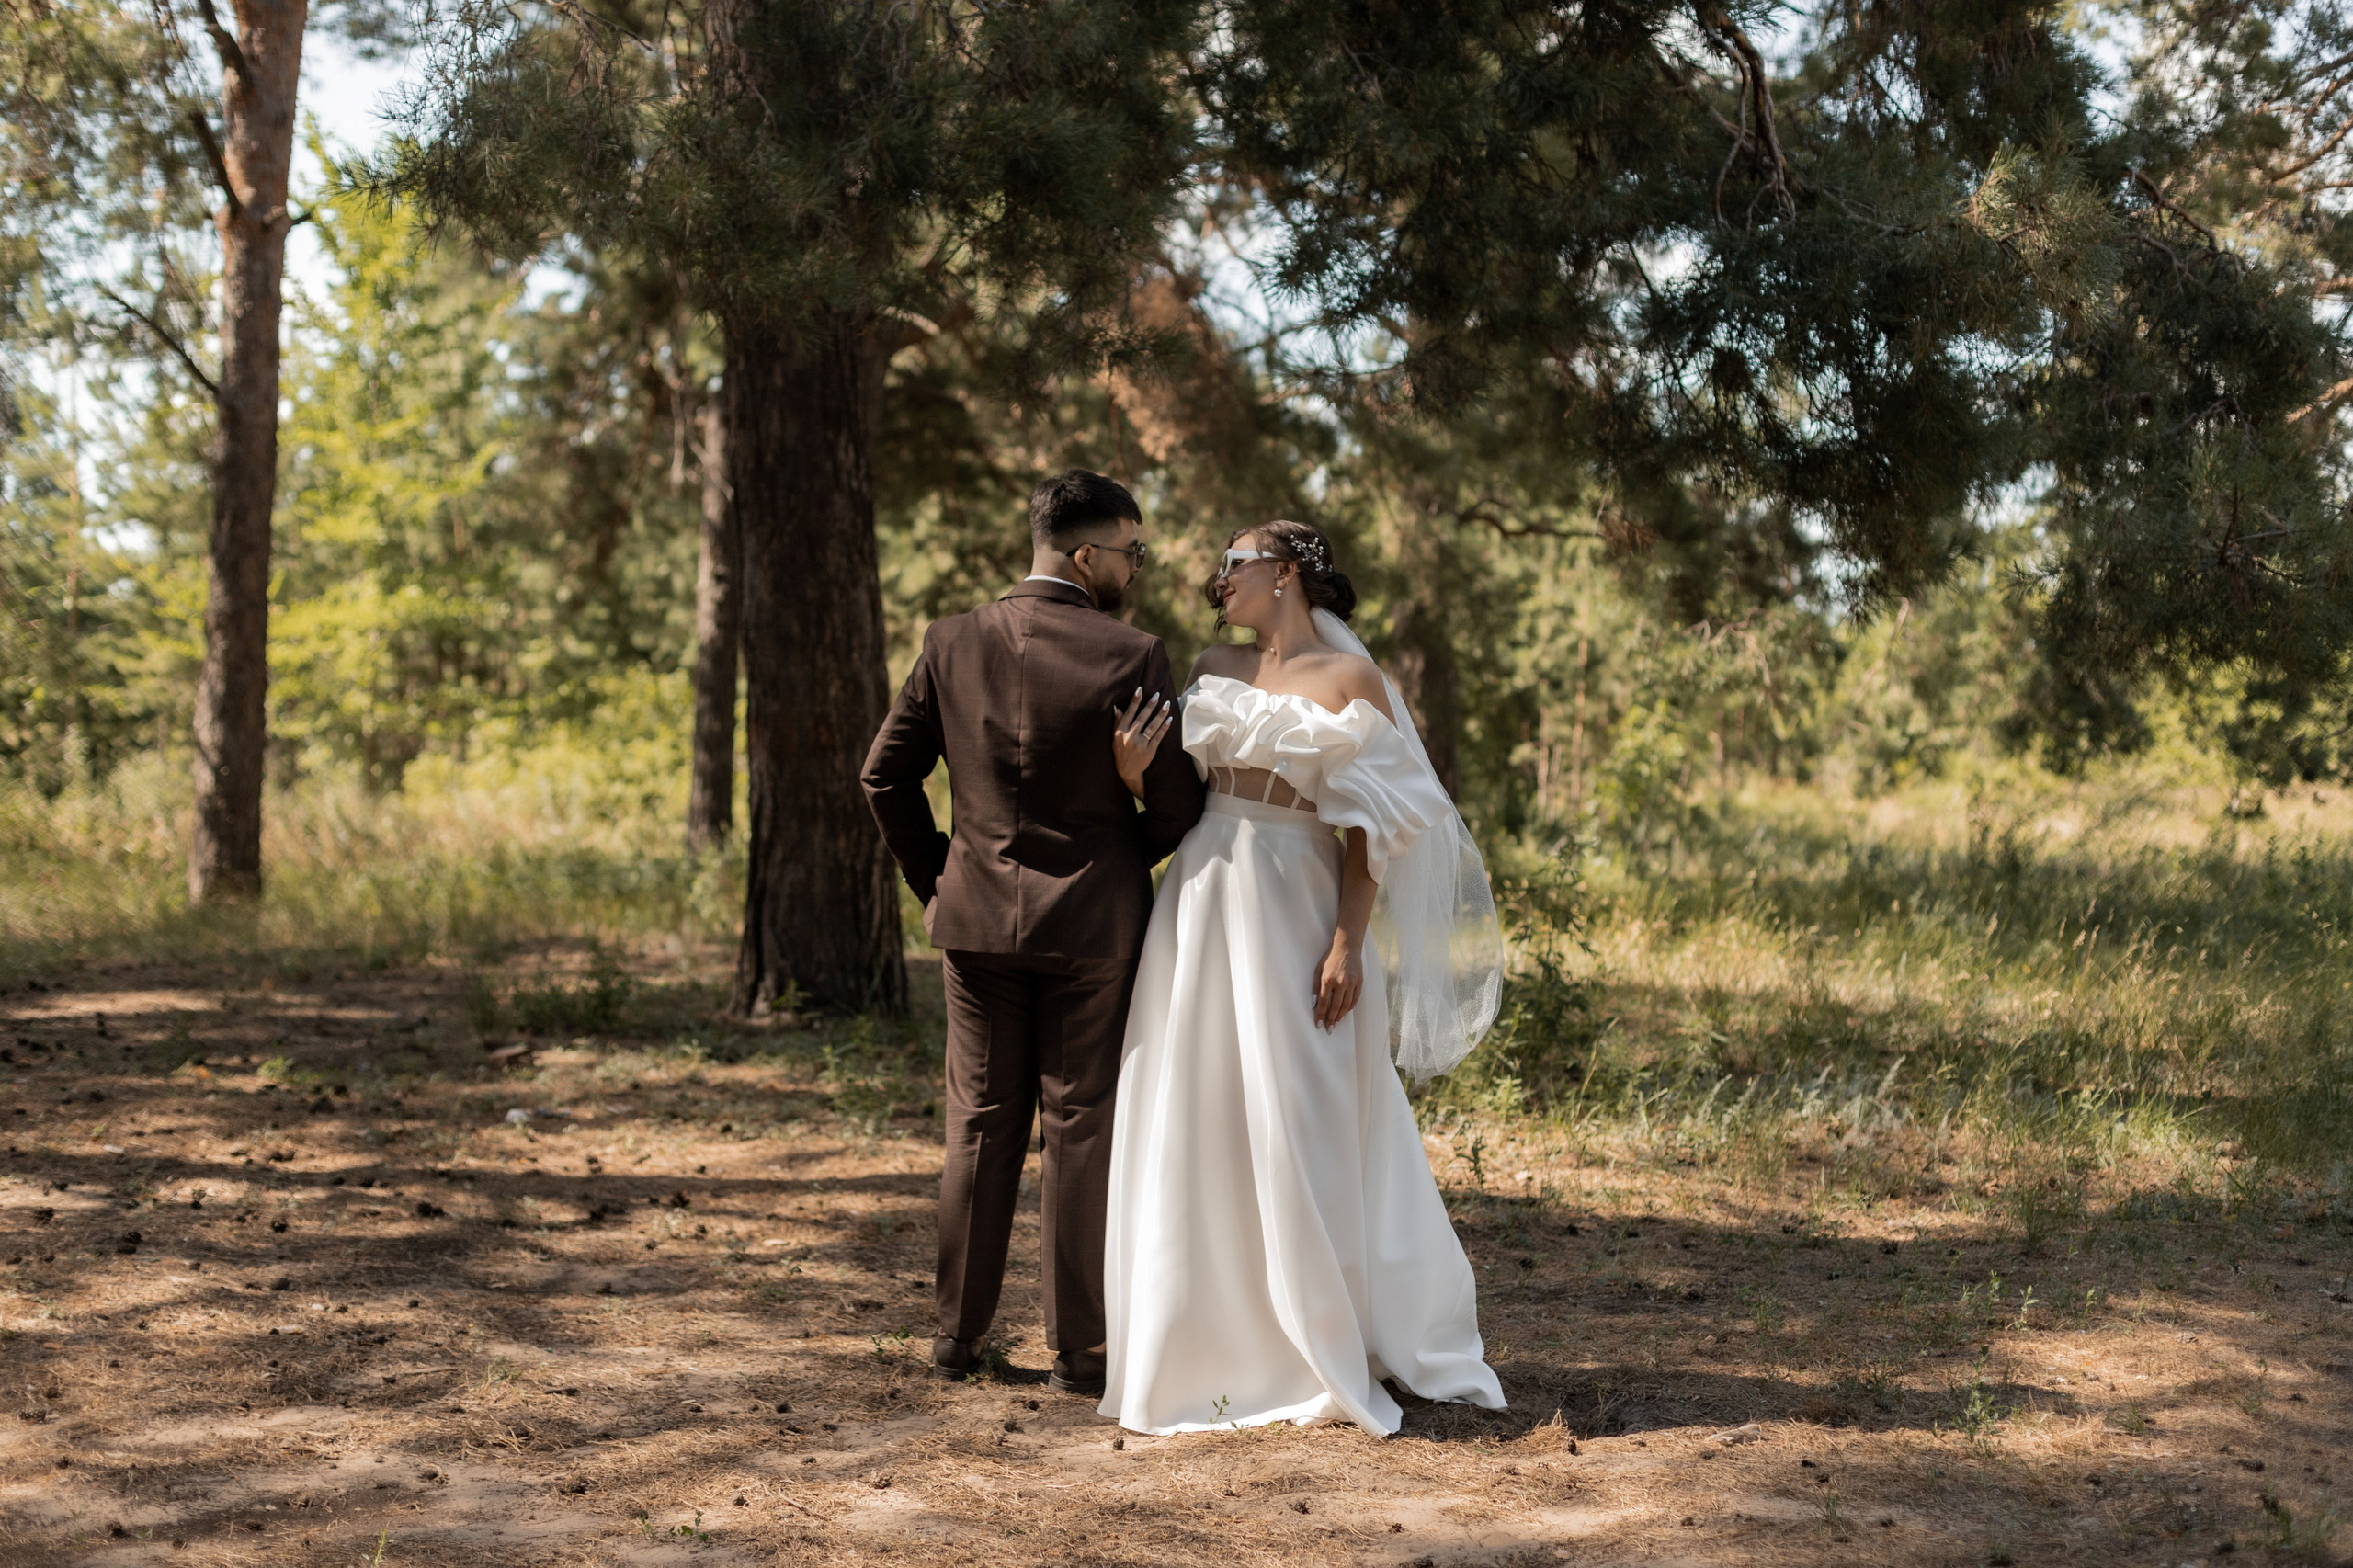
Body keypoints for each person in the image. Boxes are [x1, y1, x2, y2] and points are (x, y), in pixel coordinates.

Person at [1098, 518, 1507, 1435]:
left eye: (1232, 565)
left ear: (1283, 574)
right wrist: (1134, 775)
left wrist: (1347, 943)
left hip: (1299, 900)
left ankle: (1313, 1332)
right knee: (1197, 1106)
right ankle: (1201, 1338)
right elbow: (1177, 789)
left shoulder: (1350, 681)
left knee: (1301, 1107)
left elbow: (1375, 824)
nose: (1217, 580)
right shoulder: (1210, 663)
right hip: (1202, 897)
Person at [861, 470, 1206, 1396]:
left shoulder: (950, 639)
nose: (1137, 568)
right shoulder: (1133, 653)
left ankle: (954, 1339)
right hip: (1094, 925)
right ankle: (1082, 1352)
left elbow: (883, 776)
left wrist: (940, 876)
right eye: (1131, 551)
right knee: (1081, 1128)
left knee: (977, 1125)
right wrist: (1129, 826)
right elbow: (1179, 807)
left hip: (975, 921)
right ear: (1085, 554)